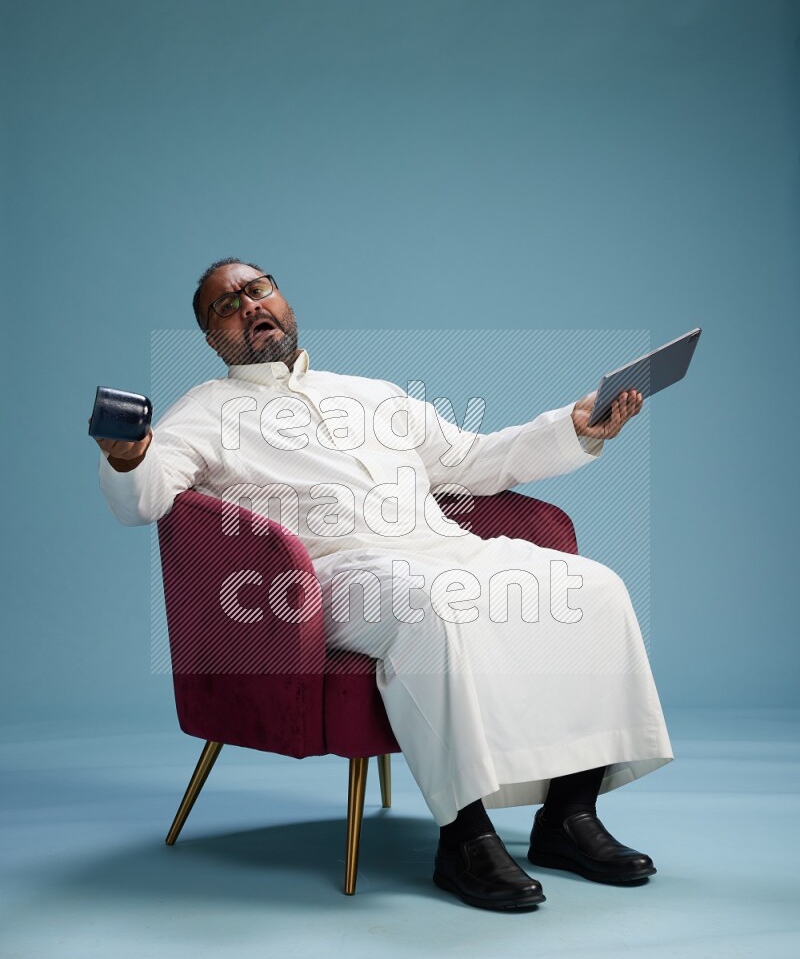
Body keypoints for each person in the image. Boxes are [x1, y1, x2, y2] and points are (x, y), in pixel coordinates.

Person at [94, 258, 674, 912]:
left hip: (445, 548)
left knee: (590, 587)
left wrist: (573, 427)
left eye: (258, 289)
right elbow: (143, 499)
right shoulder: (202, 411)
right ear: (210, 337)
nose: (248, 304)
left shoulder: (375, 394)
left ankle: (570, 816)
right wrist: (128, 456)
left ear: (283, 300)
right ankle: (465, 837)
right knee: (425, 604)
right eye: (225, 305)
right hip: (328, 577)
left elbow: (475, 461)